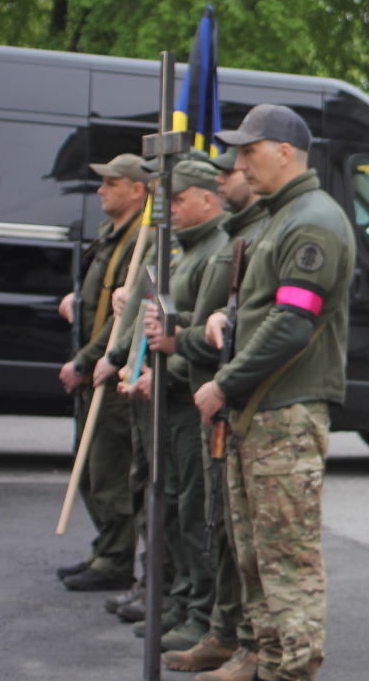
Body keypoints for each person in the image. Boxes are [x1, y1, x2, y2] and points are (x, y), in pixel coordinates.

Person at [195, 105, 356, 681]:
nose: (239, 163)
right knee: (254, 553)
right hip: (260, 412)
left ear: (284, 152)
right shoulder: (281, 215)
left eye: (248, 150)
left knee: (287, 558)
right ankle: (261, 658)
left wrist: (224, 383)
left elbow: (292, 322)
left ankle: (291, 669)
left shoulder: (311, 220)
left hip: (284, 414)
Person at [105, 156, 229, 650]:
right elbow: (154, 318)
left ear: (207, 197)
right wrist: (132, 365)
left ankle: (199, 609)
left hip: (185, 398)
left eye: (179, 199)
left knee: (195, 508)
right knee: (173, 504)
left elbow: (198, 334)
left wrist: (166, 373)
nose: (169, 209)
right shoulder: (186, 249)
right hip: (165, 392)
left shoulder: (213, 249)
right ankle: (182, 600)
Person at [165, 146, 271, 680]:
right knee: (221, 528)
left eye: (232, 168)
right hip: (216, 398)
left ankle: (247, 641)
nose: (231, 175)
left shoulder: (258, 233)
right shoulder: (238, 235)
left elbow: (267, 325)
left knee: (238, 535)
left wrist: (184, 338)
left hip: (238, 400)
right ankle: (225, 631)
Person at [56, 152, 149, 593]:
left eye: (111, 183)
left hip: (110, 369)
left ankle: (115, 559)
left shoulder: (139, 241)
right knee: (91, 466)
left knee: (109, 469)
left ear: (136, 189)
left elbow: (123, 316)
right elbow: (101, 299)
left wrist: (88, 360)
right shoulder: (111, 237)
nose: (100, 190)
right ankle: (104, 549)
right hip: (99, 364)